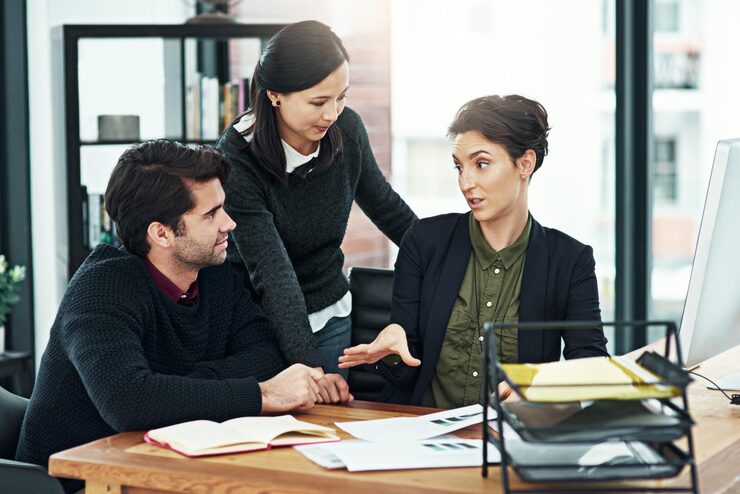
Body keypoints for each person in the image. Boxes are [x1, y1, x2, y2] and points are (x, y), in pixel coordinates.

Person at [16, 141, 351, 493]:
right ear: (161, 233)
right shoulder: (101, 289)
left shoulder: (214, 274)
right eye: (211, 214)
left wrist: (170, 387)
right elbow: (129, 402)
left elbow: (266, 355)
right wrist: (263, 394)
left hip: (159, 466)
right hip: (75, 483)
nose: (229, 223)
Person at [339, 95, 609, 407]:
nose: (466, 182)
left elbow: (591, 366)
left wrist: (538, 386)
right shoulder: (424, 240)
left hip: (509, 431)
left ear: (525, 163)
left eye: (481, 164)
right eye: (459, 167)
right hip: (422, 425)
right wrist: (394, 353)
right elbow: (405, 374)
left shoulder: (570, 261)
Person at [216, 20, 416, 379]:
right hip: (258, 327)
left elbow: (387, 207)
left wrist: (446, 259)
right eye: (318, 102)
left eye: (341, 97)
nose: (332, 114)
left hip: (330, 314)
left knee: (336, 413)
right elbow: (272, 273)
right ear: (275, 94)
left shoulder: (346, 129)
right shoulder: (238, 156)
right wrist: (309, 370)